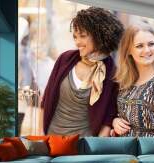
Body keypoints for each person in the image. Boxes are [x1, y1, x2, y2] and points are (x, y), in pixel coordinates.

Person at [41, 7, 124, 137]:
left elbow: (109, 118)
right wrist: (43, 137)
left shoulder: (112, 72)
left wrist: (95, 150)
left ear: (99, 36)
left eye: (83, 36)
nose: (77, 42)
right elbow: (45, 100)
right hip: (53, 141)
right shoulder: (65, 59)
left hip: (84, 147)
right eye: (75, 37)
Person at [112, 23, 154, 137]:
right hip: (123, 149)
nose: (147, 50)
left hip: (150, 151)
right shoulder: (124, 79)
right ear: (128, 50)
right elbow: (119, 114)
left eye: (151, 44)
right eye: (139, 46)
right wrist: (115, 122)